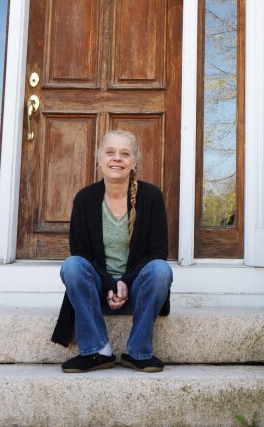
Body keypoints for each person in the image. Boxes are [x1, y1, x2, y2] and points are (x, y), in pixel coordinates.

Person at [51, 129, 172, 373]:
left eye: (124, 153)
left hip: (138, 292)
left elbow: (157, 252)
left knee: (161, 269)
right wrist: (108, 284)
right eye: (110, 152)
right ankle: (97, 351)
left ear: (134, 162)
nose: (117, 158)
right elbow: (81, 253)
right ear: (100, 159)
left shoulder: (151, 197)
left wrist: (126, 282)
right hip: (95, 293)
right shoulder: (84, 199)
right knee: (72, 265)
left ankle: (138, 352)